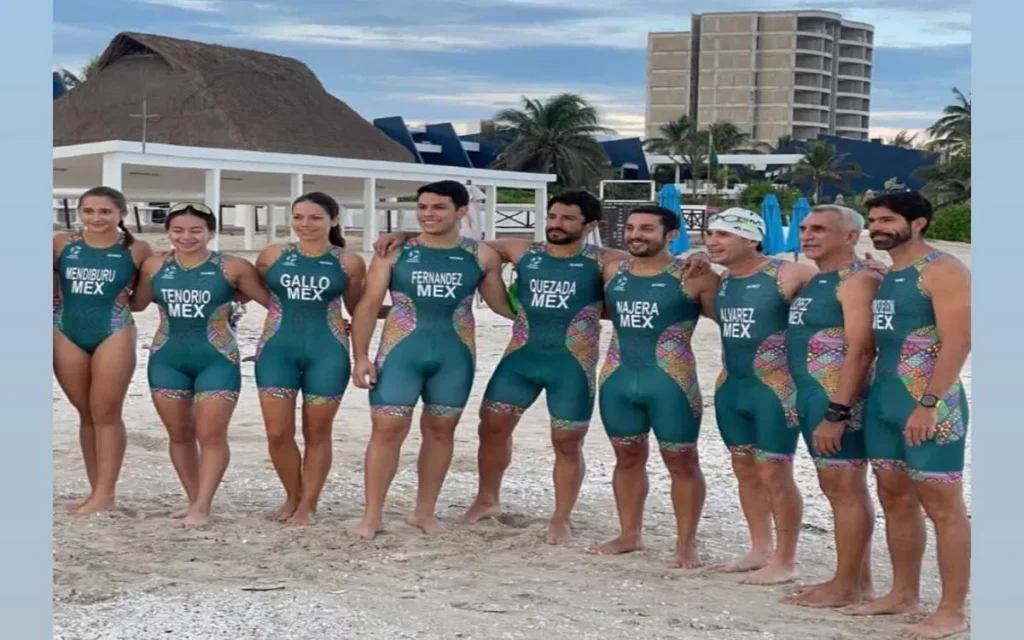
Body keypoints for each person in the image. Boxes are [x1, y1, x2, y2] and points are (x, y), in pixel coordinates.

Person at [373, 189, 710, 544]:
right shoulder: (523, 252)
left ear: (589, 224)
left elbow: (652, 259)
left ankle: (561, 517)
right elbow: (457, 239)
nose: (557, 224)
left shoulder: (606, 261)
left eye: (568, 219)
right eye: (552, 217)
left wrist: (697, 254)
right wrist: (403, 235)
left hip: (572, 365)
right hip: (520, 358)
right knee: (491, 428)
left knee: (566, 443)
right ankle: (487, 499)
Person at [347, 180, 515, 540]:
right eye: (422, 207)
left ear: (462, 212)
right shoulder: (394, 252)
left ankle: (424, 512)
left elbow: (502, 305)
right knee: (387, 429)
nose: (427, 214)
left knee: (440, 432)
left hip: (455, 357)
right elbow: (368, 305)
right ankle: (372, 515)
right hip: (400, 353)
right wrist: (360, 357)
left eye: (438, 207)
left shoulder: (480, 255)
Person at [843, 191, 971, 640]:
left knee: (944, 505)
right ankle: (903, 593)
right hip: (883, 402)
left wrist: (930, 403)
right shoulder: (890, 275)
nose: (875, 227)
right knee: (894, 496)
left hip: (930, 404)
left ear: (917, 223)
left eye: (886, 220)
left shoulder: (943, 270)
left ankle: (952, 611)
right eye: (872, 219)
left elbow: (958, 343)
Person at [588, 205, 719, 568]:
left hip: (672, 382)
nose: (635, 235)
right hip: (616, 378)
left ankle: (686, 543)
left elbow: (737, 320)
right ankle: (629, 533)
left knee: (682, 461)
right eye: (630, 228)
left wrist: (704, 255)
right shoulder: (614, 269)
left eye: (647, 228)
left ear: (671, 234)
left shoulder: (695, 276)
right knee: (627, 457)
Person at [130, 203, 270, 528]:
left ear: (210, 232)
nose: (186, 237)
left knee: (211, 436)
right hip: (166, 358)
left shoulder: (232, 267)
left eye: (196, 230)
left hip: (217, 359)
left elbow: (271, 302)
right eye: (178, 230)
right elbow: (136, 303)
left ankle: (203, 505)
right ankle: (193, 499)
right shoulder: (154, 266)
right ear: (168, 233)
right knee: (179, 435)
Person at [706, 207, 817, 585]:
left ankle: (786, 560)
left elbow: (839, 294)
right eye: (710, 233)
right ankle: (760, 549)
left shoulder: (790, 273)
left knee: (776, 471)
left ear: (751, 239)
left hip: (777, 389)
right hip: (731, 386)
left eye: (723, 234)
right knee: (743, 468)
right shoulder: (721, 279)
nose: (711, 241)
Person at [779, 205, 881, 608]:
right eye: (804, 228)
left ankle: (846, 587)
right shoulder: (819, 279)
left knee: (845, 489)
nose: (808, 235)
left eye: (820, 229)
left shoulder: (856, 281)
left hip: (835, 396)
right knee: (837, 488)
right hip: (812, 393)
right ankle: (860, 582)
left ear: (851, 236)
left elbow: (861, 350)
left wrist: (837, 412)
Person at [254, 192, 368, 526]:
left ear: (333, 220)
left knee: (317, 432)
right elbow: (251, 288)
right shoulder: (272, 255)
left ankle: (309, 504)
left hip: (328, 351)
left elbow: (358, 308)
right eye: (299, 217)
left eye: (315, 217)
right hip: (277, 349)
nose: (305, 224)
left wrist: (396, 313)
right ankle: (293, 495)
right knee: (277, 432)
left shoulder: (348, 262)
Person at [53, 186, 153, 516]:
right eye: (89, 211)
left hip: (114, 330)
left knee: (106, 413)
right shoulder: (61, 244)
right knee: (86, 414)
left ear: (122, 214)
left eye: (105, 212)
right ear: (79, 213)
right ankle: (95, 490)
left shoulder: (137, 250)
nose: (97, 218)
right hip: (67, 331)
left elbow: (139, 302)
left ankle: (106, 493)